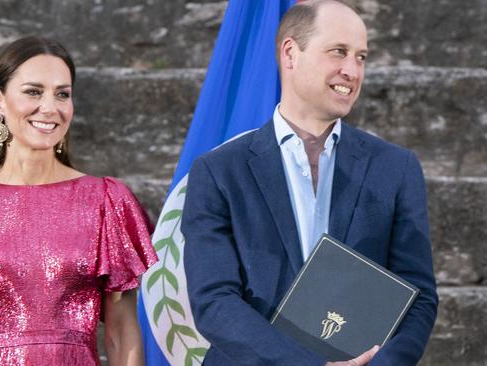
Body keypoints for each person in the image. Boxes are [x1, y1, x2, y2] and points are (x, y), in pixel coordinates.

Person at [182, 1, 438, 365]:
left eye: (361, 57)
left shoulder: (396, 168)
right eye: (339, 52)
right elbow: (213, 301)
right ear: (290, 53)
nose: (352, 70)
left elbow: (419, 295)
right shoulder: (219, 171)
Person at [0, 36, 158, 366]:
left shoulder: (108, 200)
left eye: (62, 94)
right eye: (34, 91)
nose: (50, 108)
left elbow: (123, 333)